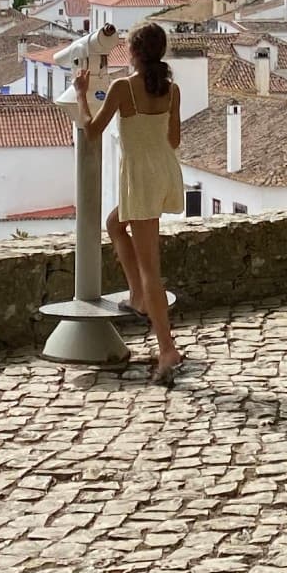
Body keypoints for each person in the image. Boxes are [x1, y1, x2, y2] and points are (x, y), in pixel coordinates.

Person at [79, 20, 186, 384]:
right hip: (163, 172)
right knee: (113, 224)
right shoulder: (172, 90)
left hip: (139, 179)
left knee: (151, 268)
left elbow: (92, 132)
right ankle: (137, 296)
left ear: (135, 52)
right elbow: (173, 140)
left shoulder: (123, 87)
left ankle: (167, 347)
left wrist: (81, 95)